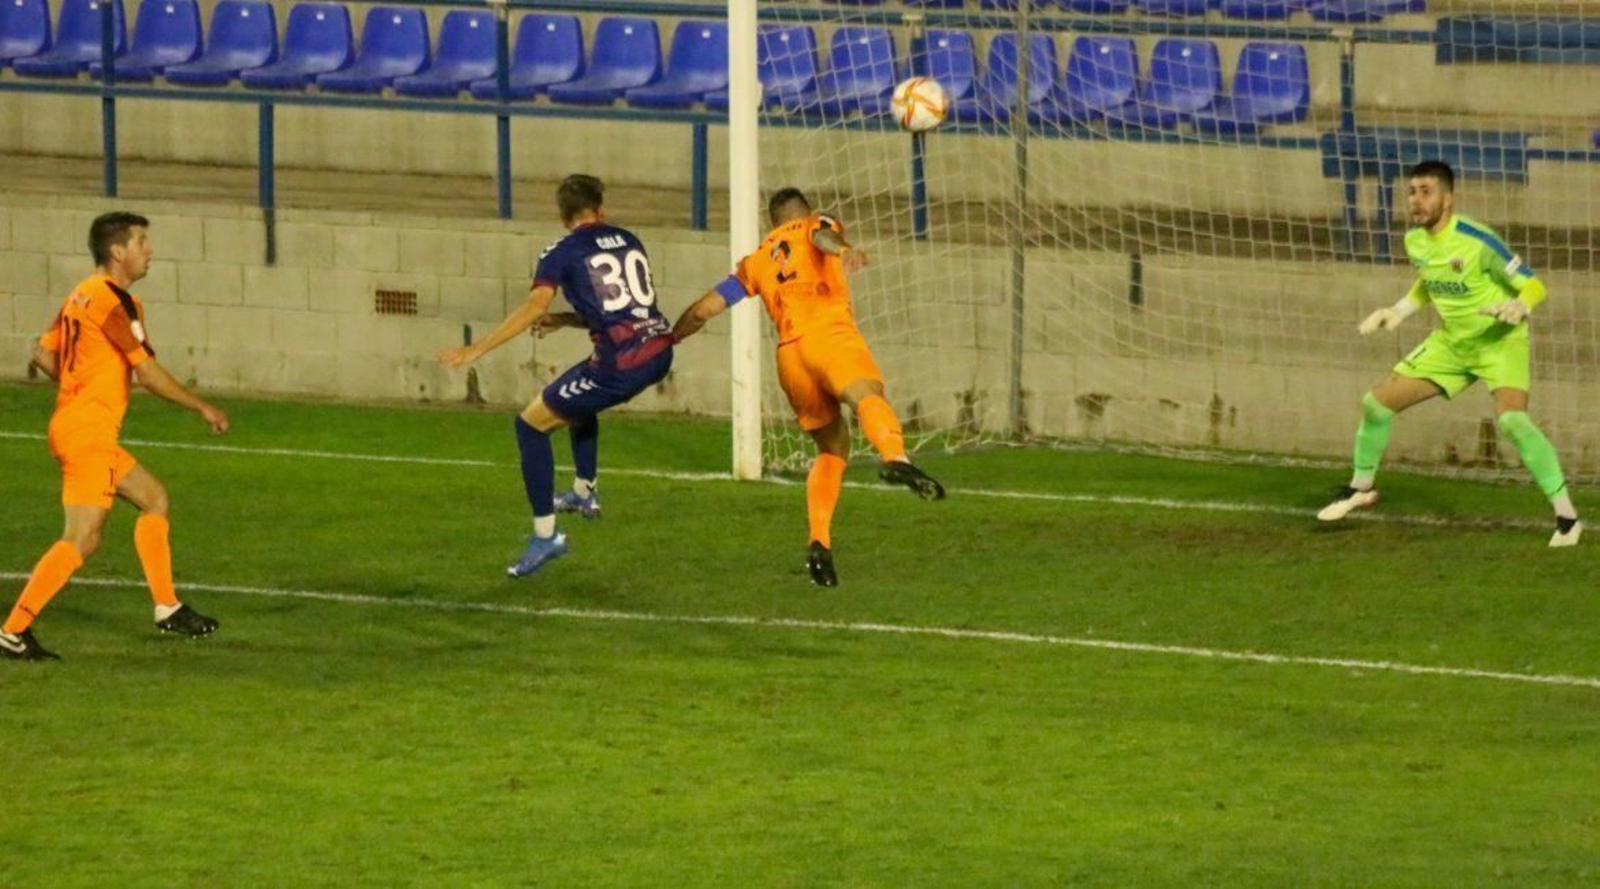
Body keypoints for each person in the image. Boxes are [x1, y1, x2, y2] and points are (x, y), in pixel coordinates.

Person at [672, 187, 945, 588]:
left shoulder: (757, 260)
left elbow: (703, 310)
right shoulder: (817, 224)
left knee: (832, 449)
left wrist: (672, 337)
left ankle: (819, 540)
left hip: (790, 359)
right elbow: (821, 237)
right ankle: (896, 457)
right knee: (867, 395)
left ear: (771, 222)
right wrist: (843, 249)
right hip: (828, 337)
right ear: (805, 212)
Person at [2, 212, 230, 661]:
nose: (149, 251)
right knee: (82, 538)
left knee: (154, 498)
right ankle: (12, 630)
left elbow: (44, 355)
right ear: (117, 251)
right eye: (141, 242)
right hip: (88, 433)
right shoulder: (112, 302)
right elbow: (145, 372)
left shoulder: (80, 296)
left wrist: (81, 384)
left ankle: (167, 606)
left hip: (77, 427)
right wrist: (202, 406)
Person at [1318, 160, 1581, 547]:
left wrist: (1519, 307)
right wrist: (1398, 311)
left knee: (1513, 423)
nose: (1416, 200)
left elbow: (1534, 285)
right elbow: (1429, 281)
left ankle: (1567, 517)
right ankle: (1360, 488)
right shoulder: (1415, 241)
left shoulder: (1478, 241)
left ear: (1448, 199)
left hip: (1499, 341)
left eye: (1426, 191)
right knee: (1375, 404)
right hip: (1453, 343)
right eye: (1412, 191)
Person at [438, 175, 674, 577]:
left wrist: (477, 348)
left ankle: (545, 536)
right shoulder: (629, 240)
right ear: (601, 209)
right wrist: (565, 320)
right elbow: (622, 311)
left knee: (530, 426)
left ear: (563, 217)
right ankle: (584, 493)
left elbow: (534, 305)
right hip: (659, 350)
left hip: (622, 363)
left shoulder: (561, 251)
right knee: (577, 398)